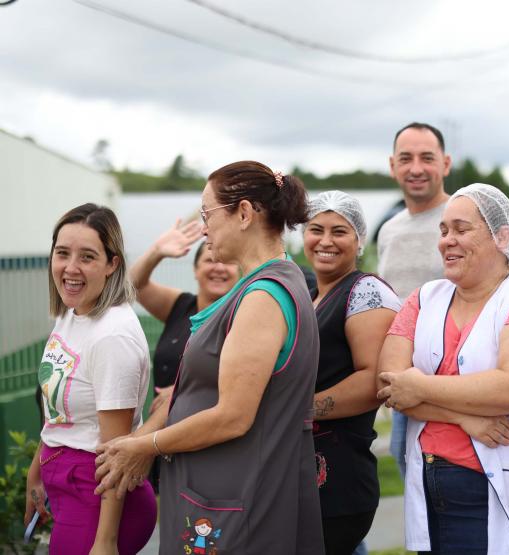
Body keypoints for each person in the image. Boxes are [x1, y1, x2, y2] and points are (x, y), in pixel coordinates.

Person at [94, 161, 324, 553]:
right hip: (229, 494)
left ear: (245, 213)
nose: (204, 227)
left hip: (239, 502)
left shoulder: (263, 297)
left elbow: (233, 416)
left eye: (207, 214)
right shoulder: (268, 284)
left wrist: (146, 446)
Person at [377, 184, 509, 554]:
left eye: (461, 229)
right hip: (432, 487)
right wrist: (465, 418)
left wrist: (420, 387)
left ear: (501, 236)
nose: (447, 240)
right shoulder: (422, 299)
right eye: (444, 230)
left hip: (498, 490)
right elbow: (390, 385)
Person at [379, 122, 509, 479]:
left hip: (473, 386)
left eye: (426, 158)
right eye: (406, 158)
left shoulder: (476, 216)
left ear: (445, 164)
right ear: (392, 165)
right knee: (418, 487)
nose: (416, 167)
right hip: (412, 390)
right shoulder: (389, 230)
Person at [25, 203, 157, 554]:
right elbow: (60, 412)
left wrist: (105, 542)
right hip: (67, 485)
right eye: (62, 253)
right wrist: (36, 474)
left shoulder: (112, 337)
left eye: (87, 257)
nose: (71, 268)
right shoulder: (74, 313)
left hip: (98, 496)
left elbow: (114, 455)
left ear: (112, 264)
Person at [304, 191, 401, 554]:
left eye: (339, 231)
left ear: (359, 240)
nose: (326, 241)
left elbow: (373, 380)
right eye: (316, 229)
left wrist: (297, 410)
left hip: (339, 479)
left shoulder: (367, 293)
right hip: (303, 474)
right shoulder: (310, 294)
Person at [129, 221, 240, 491]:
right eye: (209, 260)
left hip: (207, 439)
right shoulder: (180, 306)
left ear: (240, 271)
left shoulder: (243, 315)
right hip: (159, 435)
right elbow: (132, 285)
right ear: (195, 269)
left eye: (226, 261)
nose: (218, 267)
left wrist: (182, 391)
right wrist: (157, 251)